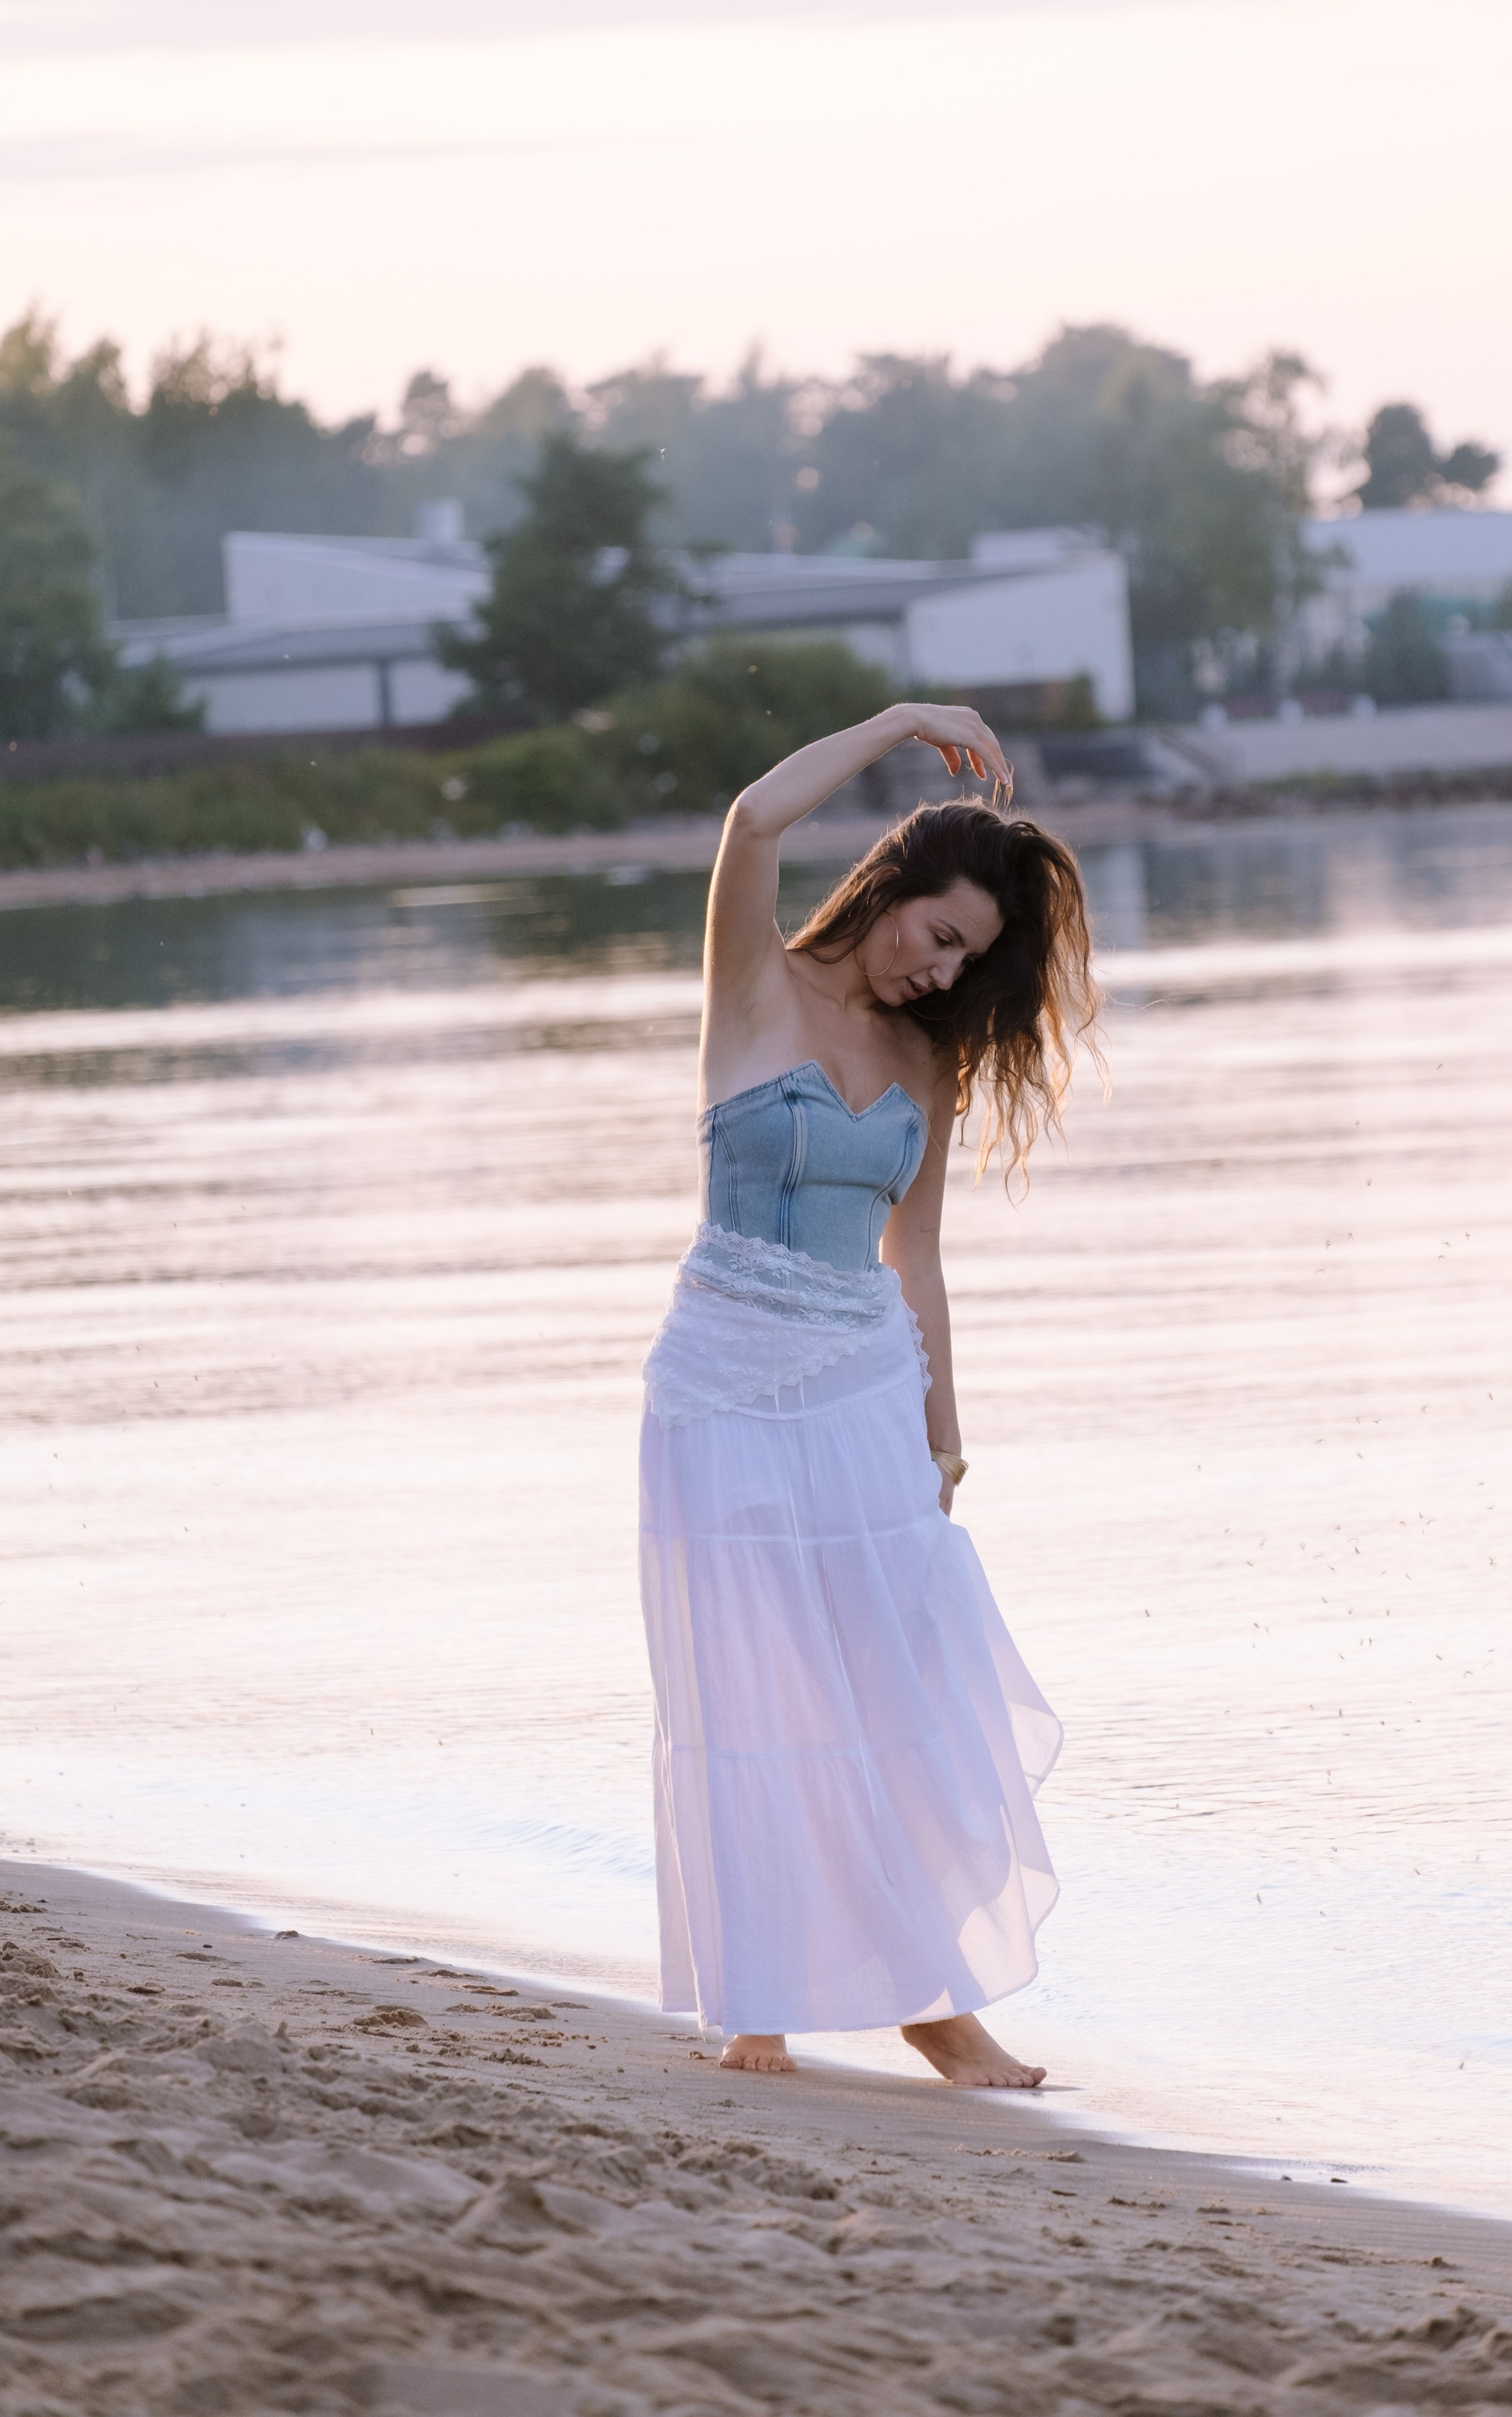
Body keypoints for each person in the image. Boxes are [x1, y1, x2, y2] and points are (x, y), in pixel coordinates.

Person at [638, 701, 1099, 2087]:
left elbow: (920, 1250)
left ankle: (930, 1996)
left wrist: (944, 1421)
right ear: (892, 885)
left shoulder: (927, 1060)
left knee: (896, 1682)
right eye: (938, 934)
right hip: (720, 1380)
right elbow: (753, 821)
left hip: (858, 1386)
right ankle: (759, 2005)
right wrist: (904, 722)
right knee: (750, 1688)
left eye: (968, 958)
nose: (940, 969)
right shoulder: (756, 986)